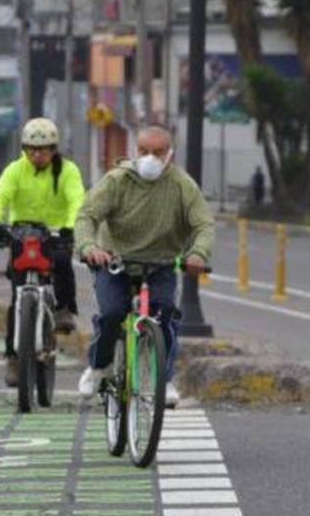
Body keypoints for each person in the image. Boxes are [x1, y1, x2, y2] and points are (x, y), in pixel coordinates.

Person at [75, 125, 215, 408]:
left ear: (170, 155)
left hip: (160, 264)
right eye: (144, 151)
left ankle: (162, 379)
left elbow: (204, 223)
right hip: (114, 261)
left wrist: (198, 253)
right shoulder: (116, 181)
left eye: (158, 152)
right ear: (134, 151)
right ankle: (98, 366)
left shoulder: (182, 185)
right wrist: (89, 247)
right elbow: (87, 216)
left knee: (163, 316)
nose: (151, 158)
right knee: (113, 313)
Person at [0, 117, 86, 388]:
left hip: (55, 235)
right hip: (23, 235)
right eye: (32, 149)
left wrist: (70, 228)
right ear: (24, 149)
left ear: (54, 149)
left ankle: (64, 309)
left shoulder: (68, 171)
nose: (37, 155)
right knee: (16, 298)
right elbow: (0, 197)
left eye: (44, 149)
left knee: (63, 263)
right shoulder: (15, 170)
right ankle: (14, 357)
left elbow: (77, 199)